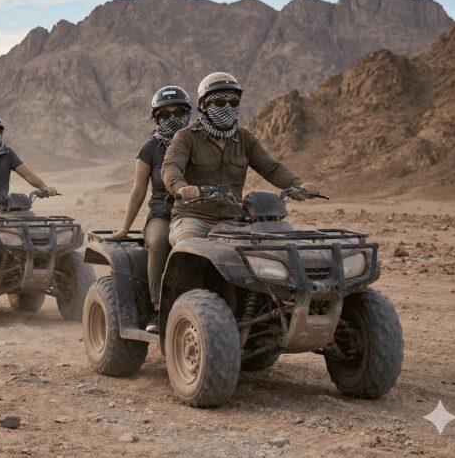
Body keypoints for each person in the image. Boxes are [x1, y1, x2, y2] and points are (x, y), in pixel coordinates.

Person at [162, 72, 317, 246]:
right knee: (189, 248)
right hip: (193, 218)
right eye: (220, 102)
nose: (227, 107)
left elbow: (271, 167)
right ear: (204, 105)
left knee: (263, 252)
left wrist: (298, 184)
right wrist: (181, 187)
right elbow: (171, 166)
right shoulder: (186, 137)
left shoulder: (244, 138)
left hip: (233, 221)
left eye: (233, 102)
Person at [111, 86, 192, 332]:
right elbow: (138, 191)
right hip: (162, 214)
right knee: (158, 241)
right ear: (156, 117)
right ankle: (158, 309)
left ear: (188, 113)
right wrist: (125, 227)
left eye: (178, 112)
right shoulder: (150, 148)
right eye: (165, 114)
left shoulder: (197, 142)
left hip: (196, 213)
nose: (172, 118)